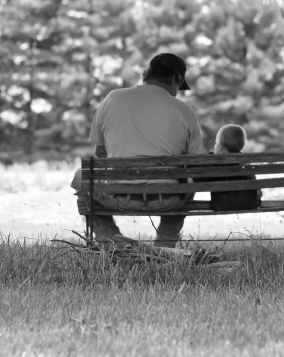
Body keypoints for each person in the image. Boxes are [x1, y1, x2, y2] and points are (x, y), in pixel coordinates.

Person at [73, 53, 206, 247]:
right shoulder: (184, 110)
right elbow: (196, 162)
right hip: (167, 199)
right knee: (188, 181)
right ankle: (165, 244)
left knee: (81, 177)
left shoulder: (113, 98)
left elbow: (101, 154)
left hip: (118, 197)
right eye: (179, 85)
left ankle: (110, 238)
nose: (177, 91)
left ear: (147, 74)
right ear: (176, 78)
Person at [207, 124, 261, 211]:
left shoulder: (214, 163)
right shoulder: (245, 163)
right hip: (250, 204)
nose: (214, 146)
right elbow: (254, 181)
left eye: (216, 143)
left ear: (220, 147)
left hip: (221, 205)